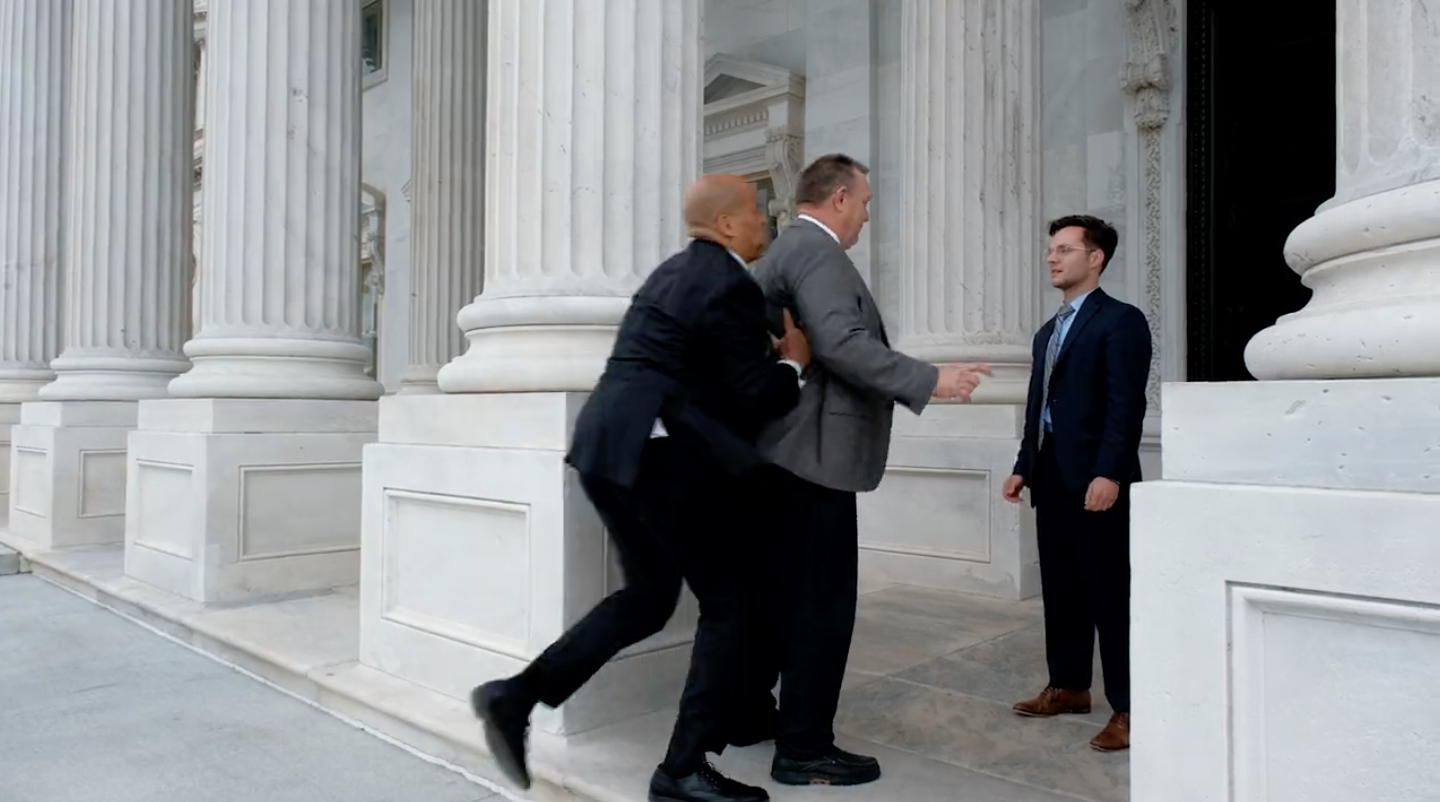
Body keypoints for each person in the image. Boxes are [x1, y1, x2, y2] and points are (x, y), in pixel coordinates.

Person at [470, 174, 810, 802]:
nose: (766, 222)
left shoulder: (672, 272)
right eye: (758, 213)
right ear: (729, 225)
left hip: (606, 445)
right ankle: (683, 767)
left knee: (650, 597)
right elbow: (753, 396)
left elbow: (688, 365)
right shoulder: (730, 282)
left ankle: (513, 697)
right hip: (658, 455)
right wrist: (792, 361)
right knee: (732, 602)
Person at [738, 153, 990, 787]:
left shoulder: (783, 253)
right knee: (821, 609)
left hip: (783, 456)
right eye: (867, 203)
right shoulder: (816, 252)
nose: (868, 217)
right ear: (840, 199)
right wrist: (933, 378)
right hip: (814, 458)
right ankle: (803, 748)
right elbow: (841, 343)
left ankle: (744, 713)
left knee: (778, 598)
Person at [1002, 214, 1151, 752]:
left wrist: (1110, 471)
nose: (1051, 257)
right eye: (1050, 250)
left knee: (1109, 594)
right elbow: (1037, 407)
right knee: (1061, 589)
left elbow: (1125, 405)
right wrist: (1024, 464)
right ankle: (1068, 686)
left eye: (1064, 249)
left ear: (1096, 258)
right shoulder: (1047, 333)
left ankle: (1131, 708)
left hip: (1097, 482)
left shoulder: (1122, 321)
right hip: (1053, 478)